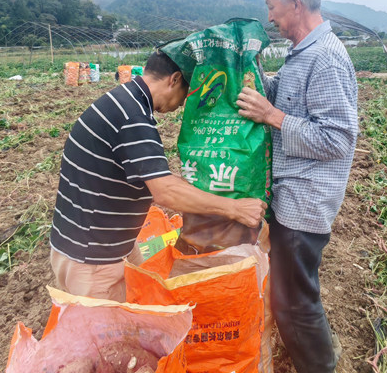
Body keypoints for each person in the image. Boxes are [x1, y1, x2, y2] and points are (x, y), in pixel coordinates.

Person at [49, 49, 267, 301]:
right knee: (106, 337)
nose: (181, 104)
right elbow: (165, 191)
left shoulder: (123, 101)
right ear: (174, 79)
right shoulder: (133, 118)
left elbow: (153, 175)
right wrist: (234, 208)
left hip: (105, 243)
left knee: (143, 303)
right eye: (185, 94)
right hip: (94, 258)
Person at [236, 0, 358, 373]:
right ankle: (319, 355)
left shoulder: (325, 58)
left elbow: (338, 138)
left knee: (293, 301)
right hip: (292, 194)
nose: (270, 17)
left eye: (272, 7)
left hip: (306, 201)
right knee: (296, 289)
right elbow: (292, 100)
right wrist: (252, 78)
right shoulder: (303, 53)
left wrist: (271, 116)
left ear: (294, 3)